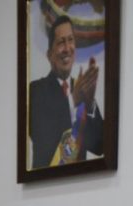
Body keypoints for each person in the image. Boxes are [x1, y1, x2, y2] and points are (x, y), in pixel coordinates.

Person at [28, 14, 104, 169]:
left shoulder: (81, 89)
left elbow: (100, 146)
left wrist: (90, 104)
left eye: (71, 40)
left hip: (79, 181)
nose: (67, 48)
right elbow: (42, 137)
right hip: (46, 182)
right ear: (49, 55)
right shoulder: (35, 91)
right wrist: (73, 100)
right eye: (61, 42)